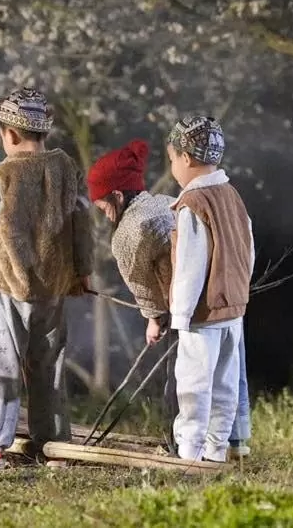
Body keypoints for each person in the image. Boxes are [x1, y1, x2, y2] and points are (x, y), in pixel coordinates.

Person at [0, 87, 92, 472]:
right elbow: (81, 223)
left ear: (11, 135)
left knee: (3, 363)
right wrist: (81, 271)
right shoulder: (66, 169)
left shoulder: (6, 174)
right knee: (48, 364)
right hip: (54, 284)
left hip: (10, 283)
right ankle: (54, 446)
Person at [166, 114, 254, 463]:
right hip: (233, 308)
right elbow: (248, 249)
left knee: (193, 386)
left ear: (185, 157)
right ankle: (217, 451)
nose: (173, 166)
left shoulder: (193, 204)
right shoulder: (232, 196)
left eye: (172, 159)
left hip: (202, 314)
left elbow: (190, 265)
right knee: (225, 386)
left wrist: (180, 315)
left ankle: (190, 452)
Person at [86, 139, 181, 424]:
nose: (102, 212)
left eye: (103, 205)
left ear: (116, 194)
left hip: (178, 311)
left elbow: (141, 282)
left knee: (179, 384)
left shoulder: (129, 230)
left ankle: (181, 445)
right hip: (205, 302)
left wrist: (154, 318)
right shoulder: (165, 203)